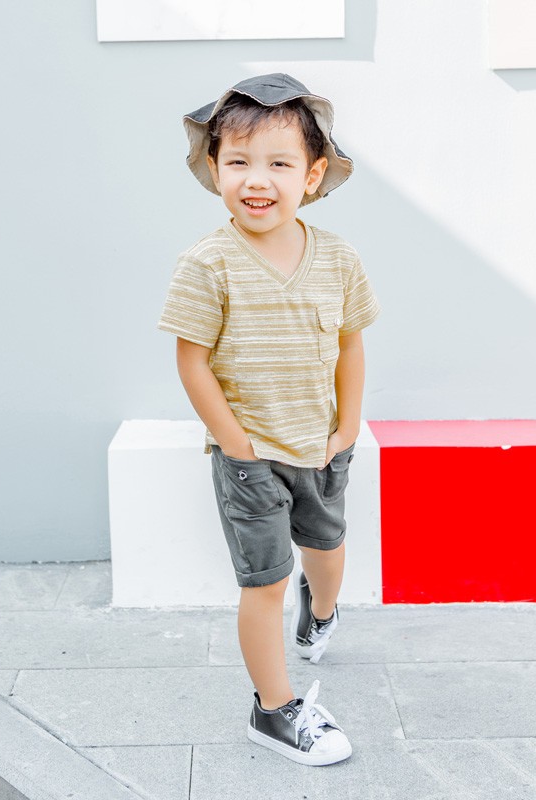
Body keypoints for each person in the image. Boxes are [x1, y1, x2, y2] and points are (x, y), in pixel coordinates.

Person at [158, 73, 379, 766]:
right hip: (249, 458)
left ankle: (323, 609)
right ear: (215, 169)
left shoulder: (337, 257)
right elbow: (192, 362)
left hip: (322, 447)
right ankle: (275, 710)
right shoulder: (207, 264)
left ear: (312, 176)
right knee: (264, 581)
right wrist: (238, 446)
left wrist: (347, 428)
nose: (257, 179)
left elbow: (351, 344)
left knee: (327, 553)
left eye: (280, 163)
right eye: (239, 161)